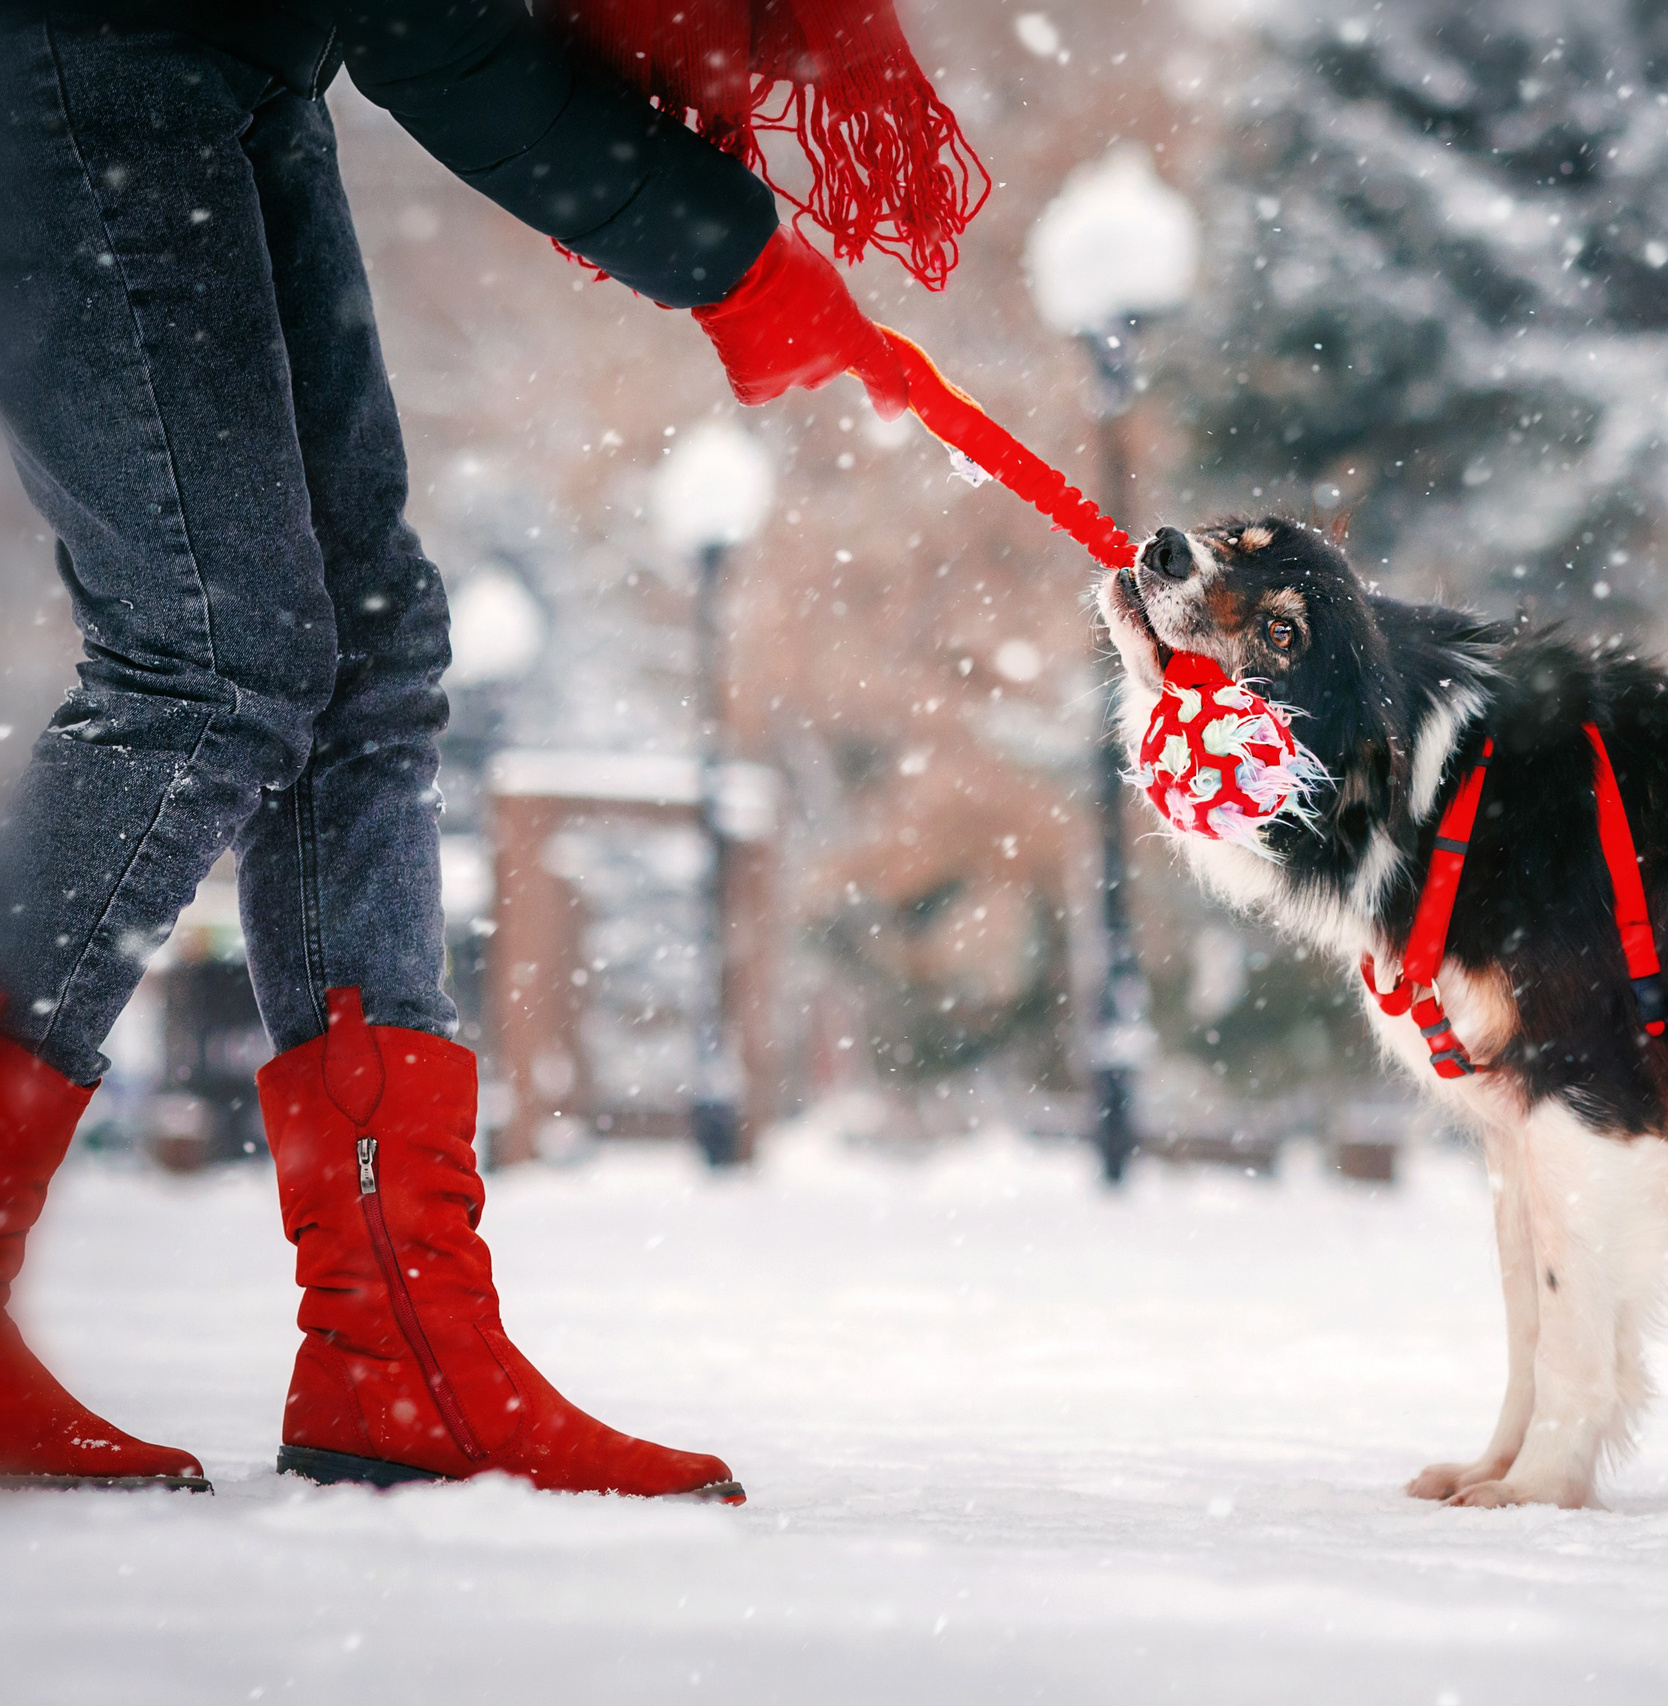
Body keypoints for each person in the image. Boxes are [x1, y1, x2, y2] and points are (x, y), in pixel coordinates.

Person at [0, 1, 970, 1496]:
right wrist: (735, 266)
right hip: (86, 52)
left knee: (363, 656)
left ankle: (401, 1348)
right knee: (211, 655)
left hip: (230, 58)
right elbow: (436, 23)